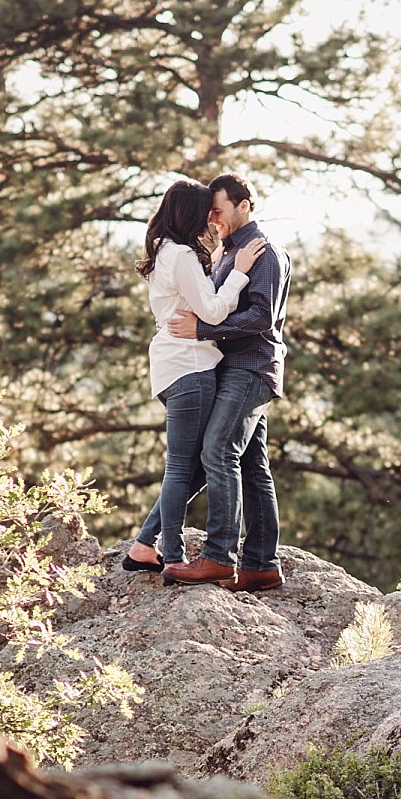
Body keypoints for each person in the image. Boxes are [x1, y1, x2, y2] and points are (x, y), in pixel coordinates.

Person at [122, 180, 265, 577]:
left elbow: (193, 300)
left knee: (196, 465)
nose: (210, 218)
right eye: (206, 211)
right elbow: (216, 312)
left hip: (172, 366)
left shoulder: (165, 252)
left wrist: (217, 261)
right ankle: (172, 555)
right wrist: (237, 273)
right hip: (191, 366)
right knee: (184, 466)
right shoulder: (182, 255)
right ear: (190, 213)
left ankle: (142, 546)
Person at [159, 172, 291, 592]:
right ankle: (261, 565)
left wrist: (201, 331)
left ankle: (219, 557)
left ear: (244, 205)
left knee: (217, 449)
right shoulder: (227, 251)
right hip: (230, 366)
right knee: (253, 466)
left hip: (250, 367)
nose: (211, 218)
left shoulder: (262, 251)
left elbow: (260, 318)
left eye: (217, 210)